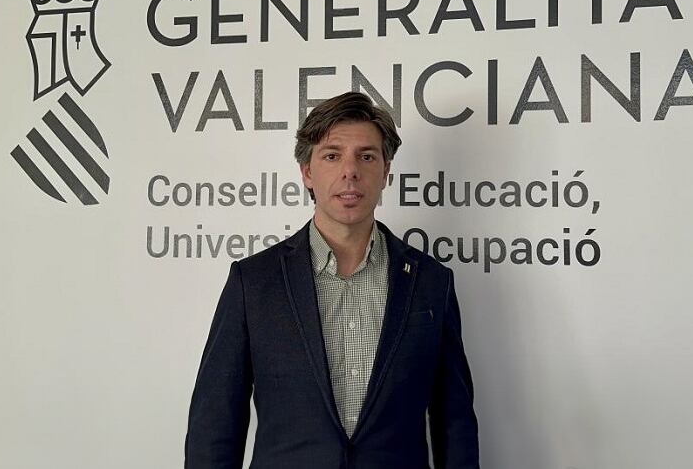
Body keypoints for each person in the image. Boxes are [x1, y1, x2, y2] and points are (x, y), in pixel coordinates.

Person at [185, 92, 480, 469]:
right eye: (332, 155)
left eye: (366, 156)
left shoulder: (431, 282)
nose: (350, 171)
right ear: (307, 171)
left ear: (386, 171)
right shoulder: (253, 282)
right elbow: (214, 426)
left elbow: (455, 424)